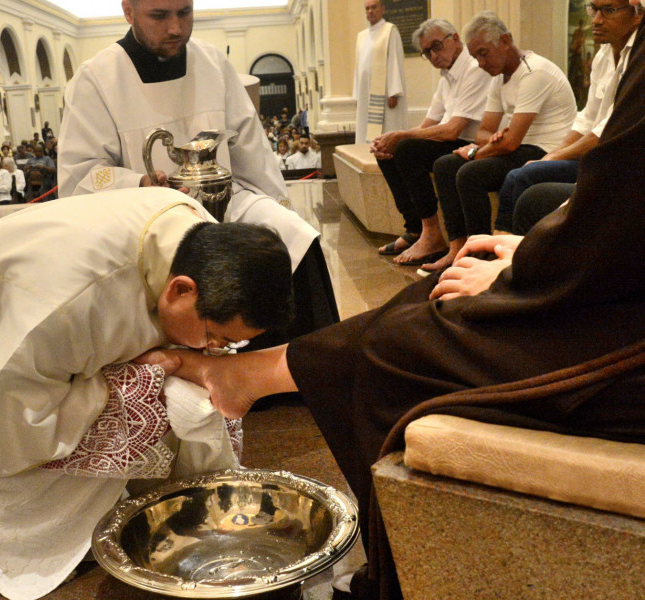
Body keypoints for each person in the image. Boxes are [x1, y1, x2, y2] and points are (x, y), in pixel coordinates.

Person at [136, 11, 645, 599]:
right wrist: (532, 253)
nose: (174, 25)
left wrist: (530, 266)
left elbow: (620, 206)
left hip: (625, 330)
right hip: (616, 279)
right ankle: (256, 373)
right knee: (439, 286)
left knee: (393, 350)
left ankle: (395, 580)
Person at [0, 187, 294, 600]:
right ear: (180, 290)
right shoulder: (64, 307)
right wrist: (129, 377)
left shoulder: (198, 238)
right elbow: (21, 426)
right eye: (214, 337)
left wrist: (181, 360)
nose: (214, 352)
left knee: (175, 385)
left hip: (36, 350)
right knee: (146, 393)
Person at [58, 0, 339, 351]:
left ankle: (304, 368)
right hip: (146, 220)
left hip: (224, 199)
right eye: (159, 16)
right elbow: (82, 173)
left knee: (293, 237)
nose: (175, 28)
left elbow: (250, 149)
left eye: (184, 12)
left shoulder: (213, 63)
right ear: (128, 11)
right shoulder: (96, 78)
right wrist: (138, 184)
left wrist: (275, 208)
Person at [426, 11, 576, 272]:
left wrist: (477, 152)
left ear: (505, 41)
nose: (481, 63)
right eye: (475, 57)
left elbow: (509, 143)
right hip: (522, 146)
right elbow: (483, 132)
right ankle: (457, 245)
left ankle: (481, 253)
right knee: (445, 165)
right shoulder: (498, 78)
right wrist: (487, 141)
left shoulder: (534, 71)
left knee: (469, 173)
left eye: (484, 53)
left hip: (546, 150)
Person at [494, 0, 640, 233]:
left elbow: (608, 128)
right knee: (516, 175)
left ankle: (515, 258)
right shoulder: (603, 56)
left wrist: (556, 156)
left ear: (637, 15)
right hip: (593, 157)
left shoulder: (638, 59)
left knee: (527, 184)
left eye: (609, 10)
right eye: (594, 9)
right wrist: (554, 155)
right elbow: (588, 117)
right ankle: (496, 250)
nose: (596, 19)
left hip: (617, 166)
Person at [372, 18, 493, 265]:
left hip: (468, 142)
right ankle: (415, 229)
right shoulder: (445, 77)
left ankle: (433, 235)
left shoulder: (474, 68)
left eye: (437, 46)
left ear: (455, 38)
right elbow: (428, 124)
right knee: (392, 151)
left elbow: (452, 130)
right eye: (427, 52)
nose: (434, 55)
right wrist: (389, 140)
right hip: (452, 138)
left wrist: (401, 137)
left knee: (406, 148)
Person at [353, 0, 407, 144]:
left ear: (382, 9)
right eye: (367, 8)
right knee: (365, 130)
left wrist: (394, 91)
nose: (370, 11)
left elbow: (395, 60)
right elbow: (358, 68)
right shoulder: (361, 36)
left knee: (387, 129)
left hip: (385, 95)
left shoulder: (390, 30)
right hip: (365, 93)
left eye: (374, 7)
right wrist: (357, 95)